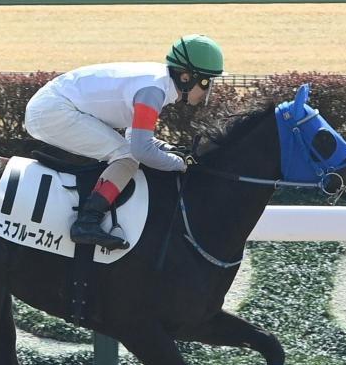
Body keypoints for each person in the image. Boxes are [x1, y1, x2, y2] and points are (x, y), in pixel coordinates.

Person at [23, 34, 224, 250]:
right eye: (206, 81)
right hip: (52, 111)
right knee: (126, 157)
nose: (207, 90)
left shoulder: (158, 84)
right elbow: (140, 150)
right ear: (186, 77)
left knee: (125, 153)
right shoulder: (153, 90)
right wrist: (180, 165)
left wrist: (169, 149)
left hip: (51, 106)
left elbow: (134, 136)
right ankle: (87, 222)